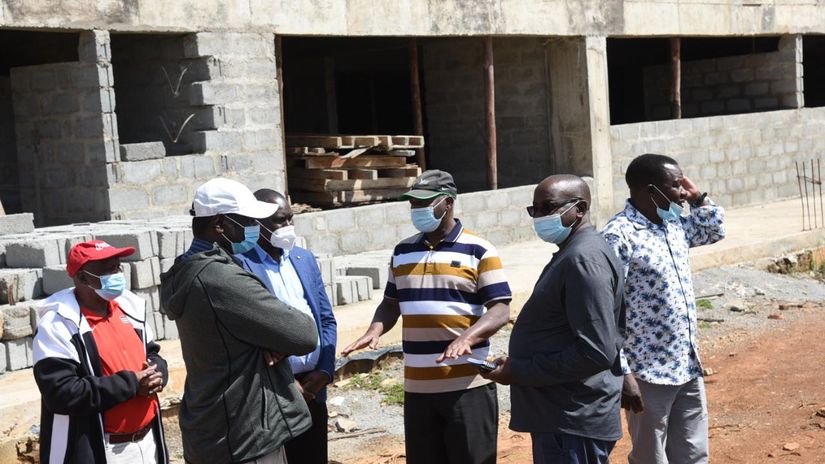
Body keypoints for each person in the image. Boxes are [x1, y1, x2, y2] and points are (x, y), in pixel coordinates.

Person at [342, 169, 513, 464]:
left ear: (447, 202)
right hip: (418, 387)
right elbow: (390, 303)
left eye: (424, 203)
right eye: (413, 204)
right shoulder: (403, 251)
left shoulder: (480, 250)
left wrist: (467, 337)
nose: (416, 210)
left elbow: (500, 309)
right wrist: (375, 329)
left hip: (467, 386)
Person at [160, 178, 318, 464]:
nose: (256, 230)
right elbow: (304, 333)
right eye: (247, 221)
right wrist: (273, 337)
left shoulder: (188, 270)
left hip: (218, 429)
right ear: (220, 224)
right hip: (244, 434)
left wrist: (268, 337)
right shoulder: (220, 277)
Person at [481, 175, 625, 464]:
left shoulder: (584, 260)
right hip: (561, 417)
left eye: (549, 207)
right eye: (534, 209)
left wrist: (519, 371)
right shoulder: (573, 253)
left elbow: (596, 351)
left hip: (572, 421)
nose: (540, 217)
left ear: (580, 209)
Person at [601, 154, 726, 464]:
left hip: (685, 363)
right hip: (647, 372)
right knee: (650, 456)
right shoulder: (620, 235)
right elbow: (604, 309)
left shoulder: (673, 224)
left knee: (693, 453)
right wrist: (623, 373)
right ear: (649, 190)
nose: (683, 191)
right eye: (676, 185)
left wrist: (698, 197)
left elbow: (714, 230)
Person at [33, 240, 169, 463]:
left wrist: (158, 373)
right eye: (107, 270)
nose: (116, 274)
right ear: (82, 278)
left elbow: (153, 353)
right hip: (103, 449)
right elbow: (62, 393)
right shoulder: (58, 325)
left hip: (147, 442)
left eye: (117, 267)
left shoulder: (130, 309)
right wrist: (132, 384)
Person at [235, 189, 337, 464]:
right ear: (257, 223)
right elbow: (252, 334)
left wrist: (325, 370)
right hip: (275, 391)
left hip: (314, 387)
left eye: (291, 219)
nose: (288, 227)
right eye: (280, 221)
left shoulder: (303, 259)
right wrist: (289, 384)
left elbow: (325, 319)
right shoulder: (241, 265)